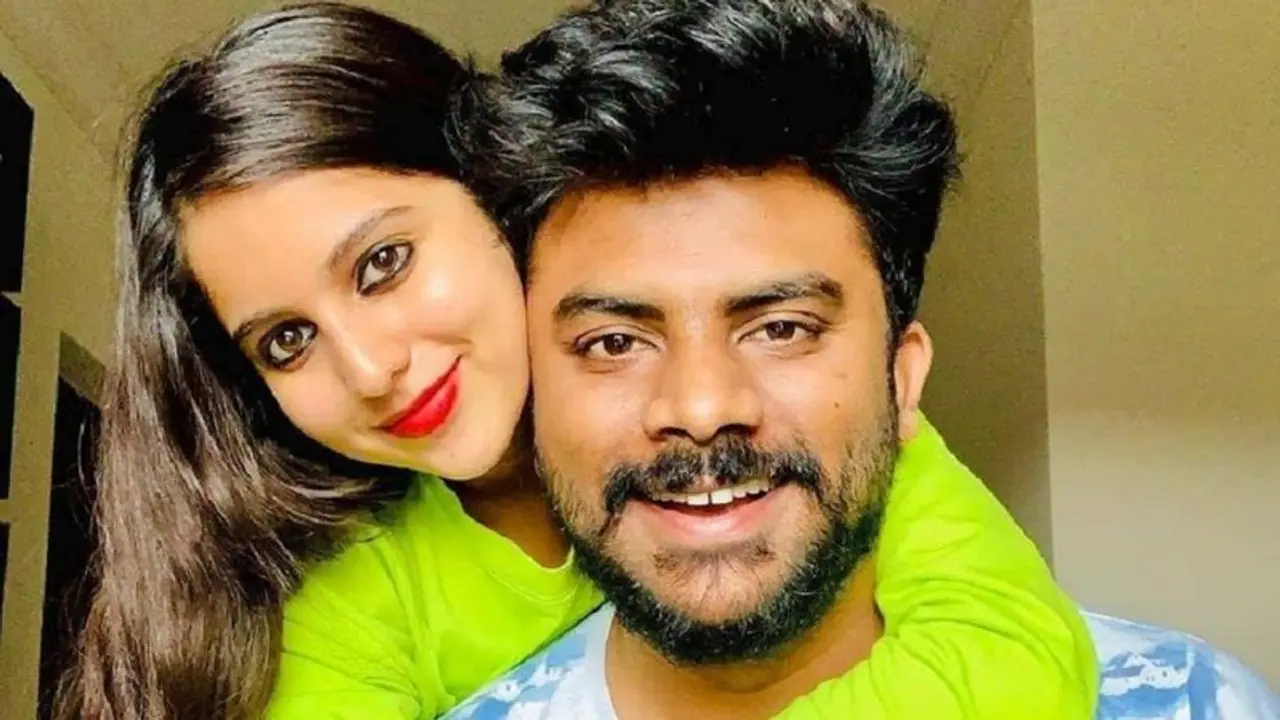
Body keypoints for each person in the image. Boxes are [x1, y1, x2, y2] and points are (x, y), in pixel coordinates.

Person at [59, 3, 1098, 719]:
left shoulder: (803, 440)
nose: (370, 368)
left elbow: (1012, 655)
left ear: (500, 203)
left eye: (382, 264)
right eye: (286, 340)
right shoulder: (357, 600)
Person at [446, 0, 1280, 718]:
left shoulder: (1188, 702)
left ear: (903, 377)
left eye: (782, 328)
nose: (701, 407)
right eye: (614, 343)